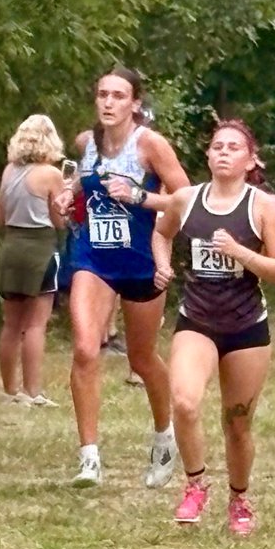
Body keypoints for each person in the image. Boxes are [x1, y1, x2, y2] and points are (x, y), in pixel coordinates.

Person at [152, 121, 275, 534]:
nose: (224, 153)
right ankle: (196, 485)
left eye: (234, 148)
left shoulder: (262, 206)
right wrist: (162, 264)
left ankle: (240, 497)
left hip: (247, 327)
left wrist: (238, 252)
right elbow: (162, 234)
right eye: (217, 147)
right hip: (197, 319)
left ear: (250, 160)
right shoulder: (185, 199)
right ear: (208, 156)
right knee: (184, 402)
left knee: (237, 422)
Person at [64, 65, 189, 488]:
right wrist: (70, 194)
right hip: (94, 258)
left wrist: (139, 195)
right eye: (102, 94)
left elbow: (184, 199)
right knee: (85, 348)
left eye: (118, 96)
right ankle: (89, 458)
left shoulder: (149, 145)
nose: (108, 102)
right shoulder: (86, 143)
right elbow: (83, 182)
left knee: (141, 358)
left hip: (140, 261)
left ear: (135, 103)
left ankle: (164, 437)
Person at [0, 114, 66, 406]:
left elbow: (0, 216)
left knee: (11, 323)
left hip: (12, 245)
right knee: (36, 324)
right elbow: (59, 220)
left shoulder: (10, 171)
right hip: (40, 247)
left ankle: (9, 390)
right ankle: (32, 391)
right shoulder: (51, 174)